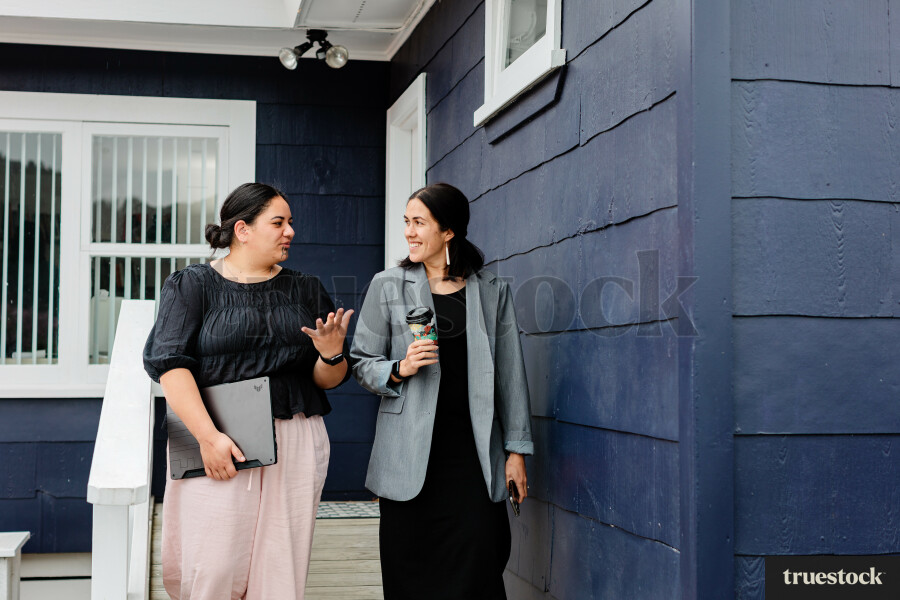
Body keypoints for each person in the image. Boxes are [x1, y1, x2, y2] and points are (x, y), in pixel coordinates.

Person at [142, 182, 353, 600]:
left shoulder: (306, 289)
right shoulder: (191, 285)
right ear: (242, 229)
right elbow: (170, 367)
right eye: (278, 222)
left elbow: (327, 378)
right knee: (212, 568)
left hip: (293, 438)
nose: (290, 231)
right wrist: (208, 438)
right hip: (216, 437)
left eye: (291, 222)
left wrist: (331, 355)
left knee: (280, 572)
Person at [350, 182, 533, 599]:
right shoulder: (388, 285)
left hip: (474, 456)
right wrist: (399, 368)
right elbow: (361, 361)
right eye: (407, 223)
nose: (409, 232)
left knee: (479, 568)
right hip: (410, 457)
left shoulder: (491, 291)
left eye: (419, 223)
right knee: (410, 573)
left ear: (448, 230)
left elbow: (511, 375)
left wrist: (517, 450)